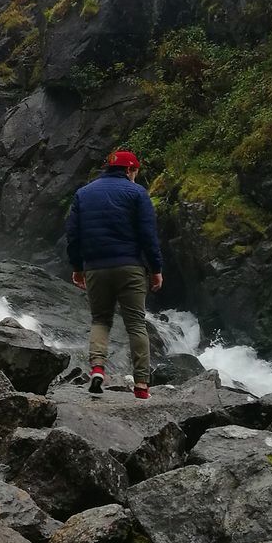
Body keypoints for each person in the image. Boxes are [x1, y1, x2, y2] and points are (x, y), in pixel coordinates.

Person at [64, 149, 163, 400]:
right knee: (136, 324)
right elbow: (148, 236)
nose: (135, 177)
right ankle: (141, 385)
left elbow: (73, 236)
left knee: (100, 320)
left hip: (96, 268)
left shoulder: (83, 194)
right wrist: (156, 270)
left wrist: (77, 267)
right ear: (130, 170)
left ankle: (98, 369)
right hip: (130, 266)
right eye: (135, 172)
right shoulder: (137, 193)